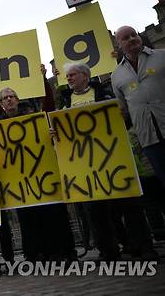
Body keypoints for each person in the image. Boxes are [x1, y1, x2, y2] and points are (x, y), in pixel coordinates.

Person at [52, 62, 158, 261]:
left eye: (73, 75)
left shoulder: (106, 94)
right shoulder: (65, 101)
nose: (69, 79)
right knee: (96, 211)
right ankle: (108, 251)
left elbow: (125, 118)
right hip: (85, 164)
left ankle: (144, 247)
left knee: (129, 205)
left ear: (85, 75)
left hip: (113, 158)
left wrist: (122, 116)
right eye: (68, 76)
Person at [0, 86, 76, 262]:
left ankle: (63, 252)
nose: (9, 100)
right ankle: (36, 255)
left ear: (17, 99)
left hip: (44, 174)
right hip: (20, 181)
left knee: (53, 215)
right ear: (1, 104)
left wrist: (51, 133)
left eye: (12, 96)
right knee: (28, 219)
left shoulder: (35, 116)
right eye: (5, 98)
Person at [112, 25, 165, 187]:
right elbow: (123, 107)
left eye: (133, 35)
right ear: (118, 45)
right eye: (125, 38)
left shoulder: (161, 56)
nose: (132, 39)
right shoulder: (116, 75)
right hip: (148, 138)